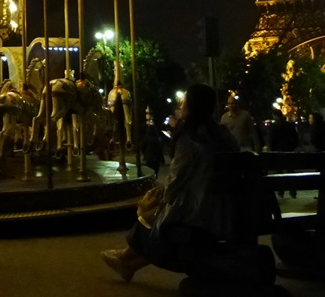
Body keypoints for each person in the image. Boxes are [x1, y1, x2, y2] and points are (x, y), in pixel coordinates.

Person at [101, 83, 238, 282]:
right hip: (225, 207)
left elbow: (177, 178)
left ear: (192, 106)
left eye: (184, 101)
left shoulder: (190, 138)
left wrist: (163, 200)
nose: (181, 105)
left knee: (154, 218)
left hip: (202, 211)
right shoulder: (220, 133)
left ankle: (124, 257)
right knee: (159, 217)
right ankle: (127, 262)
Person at [268, 110, 299, 198]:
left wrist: (272, 150)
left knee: (279, 172)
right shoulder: (289, 125)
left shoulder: (274, 126)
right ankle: (293, 191)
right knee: (290, 171)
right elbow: (295, 138)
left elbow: (271, 140)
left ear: (275, 116)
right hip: (289, 150)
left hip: (278, 151)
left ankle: (281, 191)